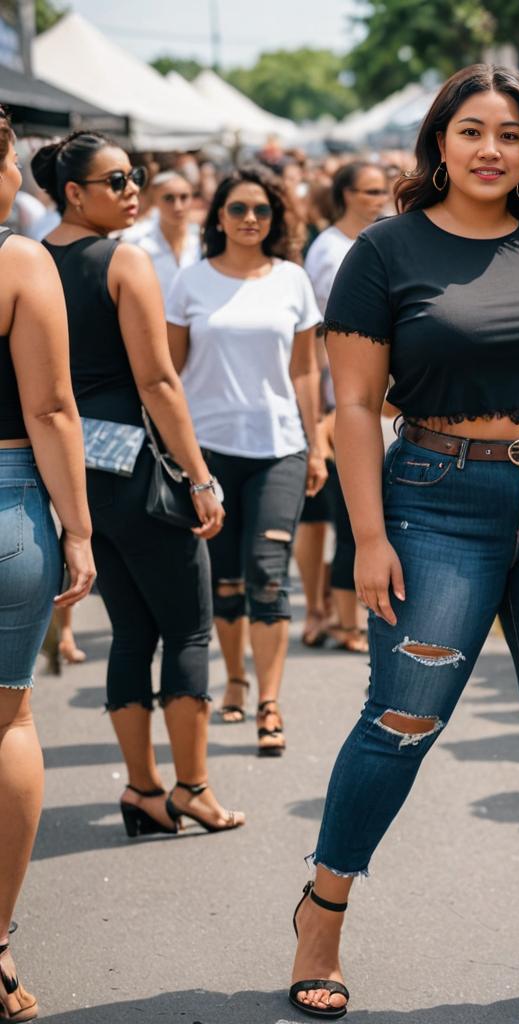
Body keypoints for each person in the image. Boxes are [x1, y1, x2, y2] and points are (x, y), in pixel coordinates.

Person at [290, 65, 519, 1022]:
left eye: (512, 134)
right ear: (438, 141)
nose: (492, 149)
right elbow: (355, 405)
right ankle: (321, 915)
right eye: (473, 130)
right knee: (400, 723)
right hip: (437, 502)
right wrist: (367, 535)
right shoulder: (384, 250)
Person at [33, 130, 243, 838]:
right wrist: (200, 477)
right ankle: (191, 789)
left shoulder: (26, 263)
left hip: (66, 475)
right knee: (186, 628)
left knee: (129, 632)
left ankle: (144, 791)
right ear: (73, 192)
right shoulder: (123, 261)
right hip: (139, 472)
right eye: (118, 181)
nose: (134, 192)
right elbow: (158, 381)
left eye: (136, 177)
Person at [166, 167, 326, 753]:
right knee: (224, 580)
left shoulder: (292, 280)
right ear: (219, 218)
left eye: (262, 210)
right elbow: (170, 376)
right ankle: (233, 680)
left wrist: (316, 443)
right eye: (238, 209)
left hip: (279, 446)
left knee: (267, 574)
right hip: (207, 451)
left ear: (276, 218)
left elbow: (306, 370)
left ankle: (268, 701)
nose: (251, 219)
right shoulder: (190, 282)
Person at [0, 106, 96, 1024]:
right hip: (4, 495)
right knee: (7, 713)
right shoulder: (18, 260)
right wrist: (78, 527)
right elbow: (54, 407)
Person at [300, 161, 391, 652]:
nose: (378, 197)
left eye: (384, 189)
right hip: (340, 403)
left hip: (381, 403)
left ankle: (333, 615)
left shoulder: (381, 237)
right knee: (344, 518)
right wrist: (321, 413)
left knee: (347, 518)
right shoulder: (330, 249)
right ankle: (336, 618)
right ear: (345, 194)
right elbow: (317, 339)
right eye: (370, 190)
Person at [123, 170, 201, 300]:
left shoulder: (202, 241)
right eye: (169, 199)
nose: (178, 206)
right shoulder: (135, 241)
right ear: (154, 200)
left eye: (184, 197)